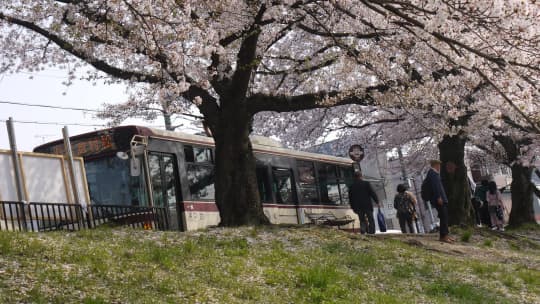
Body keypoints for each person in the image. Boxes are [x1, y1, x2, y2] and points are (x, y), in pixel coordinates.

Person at [425, 159, 454, 243]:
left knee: (444, 216)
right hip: (438, 199)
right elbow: (435, 187)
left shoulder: (433, 173)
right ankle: (443, 236)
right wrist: (439, 197)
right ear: (435, 165)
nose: (439, 167)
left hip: (440, 198)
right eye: (439, 165)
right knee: (443, 216)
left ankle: (446, 235)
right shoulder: (432, 173)